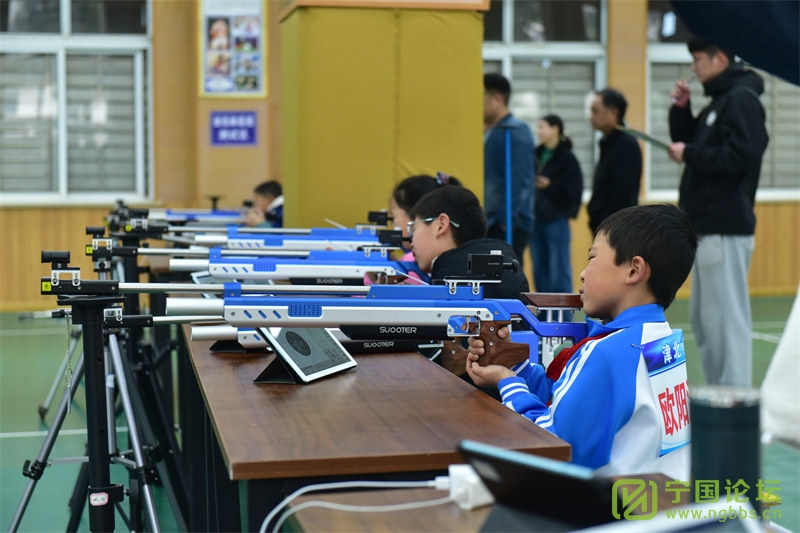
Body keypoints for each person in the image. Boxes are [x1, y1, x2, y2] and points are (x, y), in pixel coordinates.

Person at [466, 204, 698, 479]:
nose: (583, 273)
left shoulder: (607, 354)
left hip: (610, 502)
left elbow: (553, 448)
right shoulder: (662, 341)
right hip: (660, 497)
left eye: (592, 258)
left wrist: (507, 382)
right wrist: (514, 365)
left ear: (633, 271)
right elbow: (574, 404)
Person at [667, 37, 769, 388]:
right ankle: (718, 395)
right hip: (707, 227)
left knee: (726, 322)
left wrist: (691, 153)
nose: (693, 67)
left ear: (720, 59)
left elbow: (743, 156)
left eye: (698, 59)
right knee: (707, 321)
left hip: (725, 227)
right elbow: (698, 145)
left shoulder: (741, 99)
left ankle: (734, 399)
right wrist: (682, 111)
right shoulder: (721, 102)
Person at [408, 186, 530, 398]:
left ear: (441, 224)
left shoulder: (450, 280)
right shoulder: (505, 268)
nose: (410, 242)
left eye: (413, 228)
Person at [483, 73, 535, 263]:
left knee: (507, 276)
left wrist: (507, 218)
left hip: (507, 224)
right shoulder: (495, 131)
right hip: (496, 221)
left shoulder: (513, 131)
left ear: (497, 99)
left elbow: (519, 178)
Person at [528, 114, 584, 294]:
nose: (539, 132)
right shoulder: (535, 154)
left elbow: (573, 191)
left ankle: (563, 308)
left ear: (555, 129)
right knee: (539, 270)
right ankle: (542, 309)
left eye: (542, 127)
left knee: (558, 269)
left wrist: (550, 186)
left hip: (556, 220)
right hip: (535, 219)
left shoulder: (567, 159)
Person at [586, 88, 642, 235]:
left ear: (614, 113)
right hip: (603, 227)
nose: (591, 117)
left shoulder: (626, 145)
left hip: (615, 231)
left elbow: (624, 195)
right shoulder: (608, 142)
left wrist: (611, 228)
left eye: (595, 111)